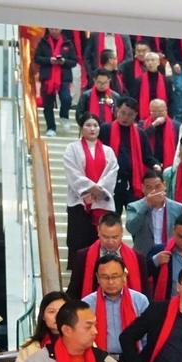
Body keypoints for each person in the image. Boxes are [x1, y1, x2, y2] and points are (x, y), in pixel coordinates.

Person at [63, 114, 118, 270]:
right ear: (81, 127)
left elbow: (112, 172)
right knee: (78, 241)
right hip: (79, 202)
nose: (92, 129)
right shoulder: (72, 148)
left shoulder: (108, 151)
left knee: (99, 242)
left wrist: (98, 190)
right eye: (88, 125)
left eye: (95, 125)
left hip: (101, 202)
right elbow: (72, 172)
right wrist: (89, 190)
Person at [68, 212, 143, 299]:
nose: (110, 242)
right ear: (98, 231)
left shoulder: (138, 258)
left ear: (122, 233)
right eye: (105, 237)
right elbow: (73, 292)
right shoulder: (82, 256)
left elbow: (145, 294)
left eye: (115, 237)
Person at [105, 96, 154, 213]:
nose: (125, 117)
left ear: (135, 115)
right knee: (112, 218)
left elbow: (147, 157)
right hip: (111, 183)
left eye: (130, 114)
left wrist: (155, 165)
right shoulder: (106, 129)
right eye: (123, 113)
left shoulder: (140, 134)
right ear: (117, 110)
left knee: (135, 218)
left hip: (133, 183)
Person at [124, 168, 182, 252]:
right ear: (143, 188)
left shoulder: (178, 208)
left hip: (170, 253)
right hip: (145, 255)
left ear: (164, 185)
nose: (154, 191)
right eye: (149, 187)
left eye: (158, 186)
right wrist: (146, 205)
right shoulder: (134, 207)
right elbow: (131, 229)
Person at [35, 27, 75, 136]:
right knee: (48, 104)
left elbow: (73, 61)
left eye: (56, 29)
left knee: (66, 99)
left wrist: (64, 61)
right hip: (47, 77)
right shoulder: (43, 42)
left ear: (61, 29)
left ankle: (64, 115)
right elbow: (37, 58)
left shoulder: (67, 43)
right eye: (52, 29)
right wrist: (49, 60)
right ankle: (51, 127)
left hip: (63, 77)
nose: (54, 31)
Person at [142, 98, 179, 170]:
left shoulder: (176, 126)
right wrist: (153, 125)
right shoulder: (143, 124)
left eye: (160, 112)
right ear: (150, 112)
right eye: (154, 112)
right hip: (150, 164)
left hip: (169, 164)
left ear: (166, 111)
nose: (157, 115)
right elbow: (141, 138)